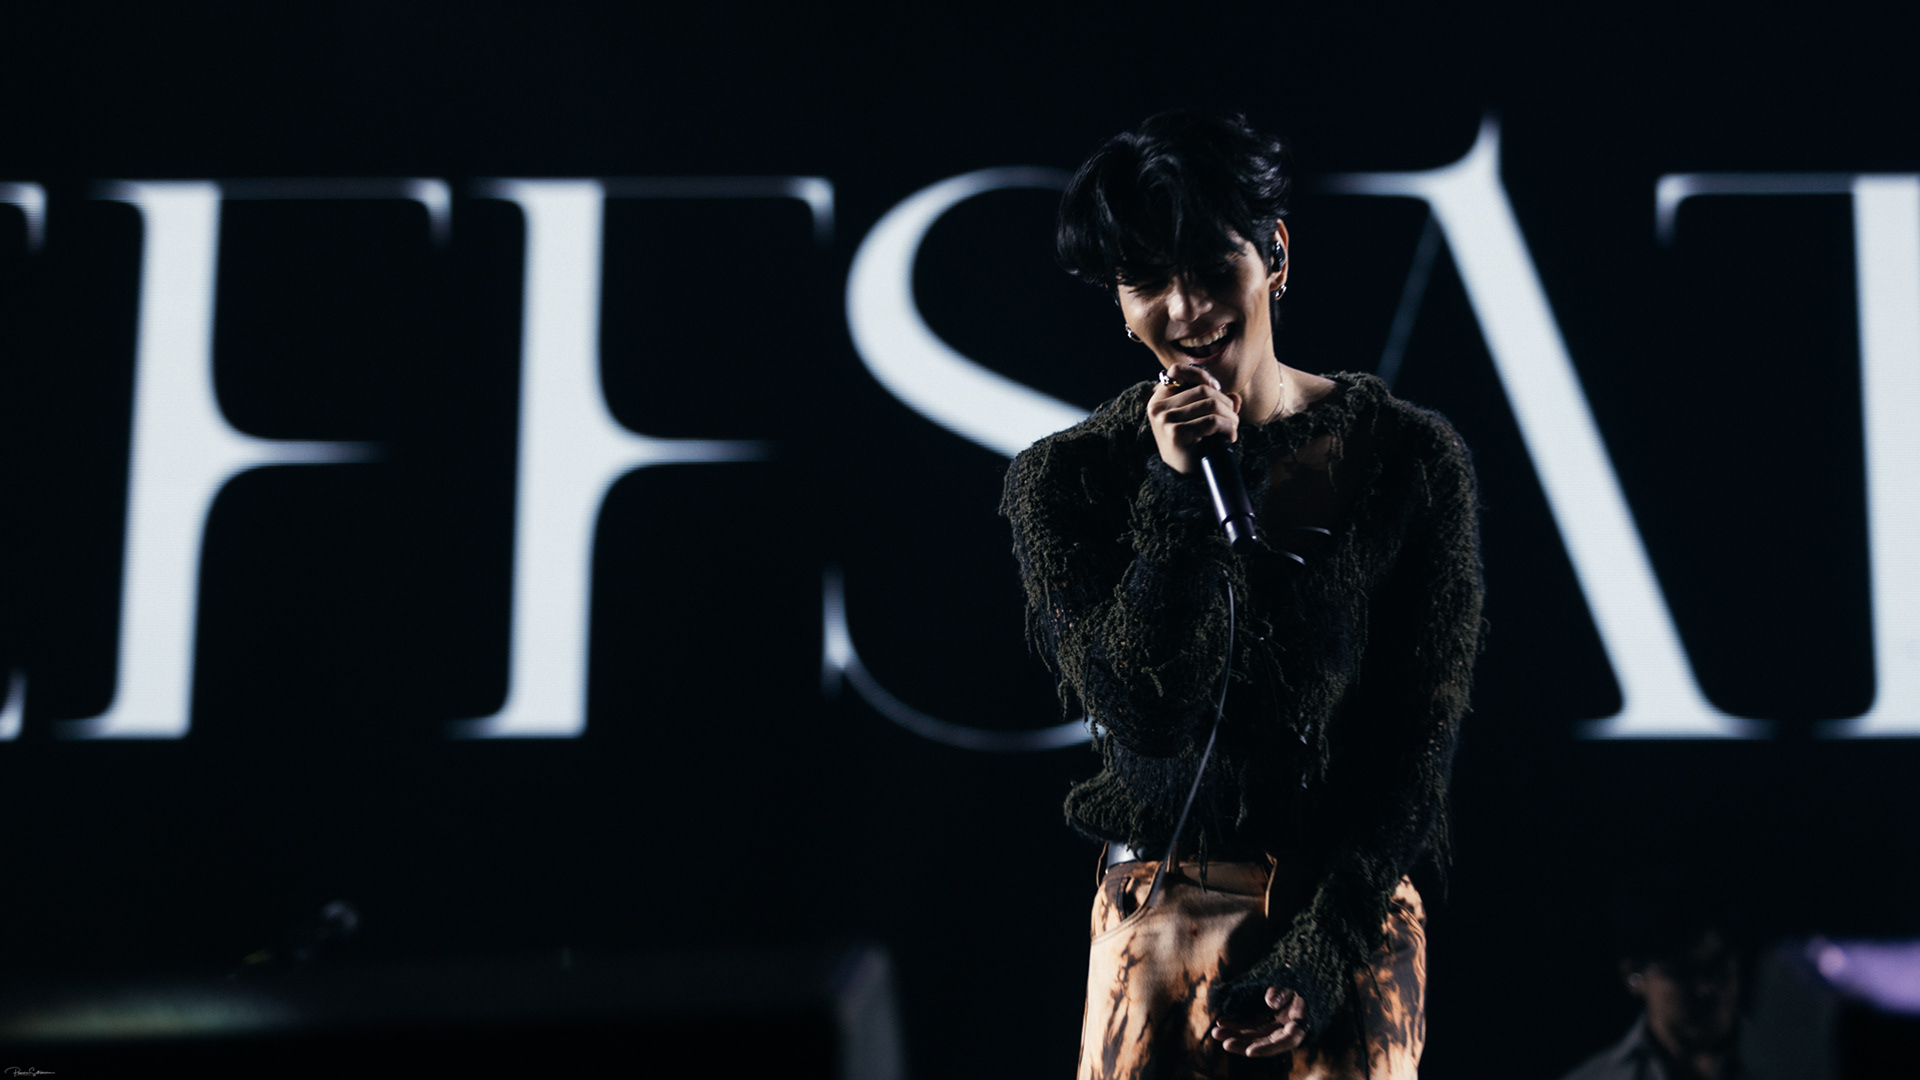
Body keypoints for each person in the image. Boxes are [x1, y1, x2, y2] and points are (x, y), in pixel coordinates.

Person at [1000, 110, 1484, 1079]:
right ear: (1120, 304)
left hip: (1347, 914)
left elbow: (1414, 745)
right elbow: (1144, 710)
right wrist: (1177, 496)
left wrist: (1319, 956)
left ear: (1275, 257)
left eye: (1210, 266)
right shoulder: (1069, 482)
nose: (1185, 308)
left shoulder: (1406, 460)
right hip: (1160, 910)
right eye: (1147, 281)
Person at [1561, 877, 1747, 1080]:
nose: (1706, 988)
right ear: (1632, 976)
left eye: (1718, 964)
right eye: (1682, 973)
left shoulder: (1773, 1058)